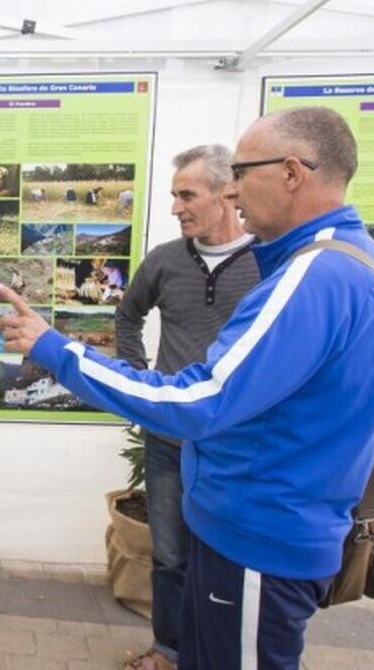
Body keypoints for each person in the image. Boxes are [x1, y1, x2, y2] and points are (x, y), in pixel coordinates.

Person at [0, 107, 374, 669]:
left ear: (291, 172)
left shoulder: (314, 276)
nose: (233, 189)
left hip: (258, 535)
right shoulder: (352, 262)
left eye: (240, 171)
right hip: (264, 523)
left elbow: (200, 401)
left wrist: (57, 351)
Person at [115, 144, 260, 670]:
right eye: (174, 195)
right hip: (170, 442)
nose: (175, 207)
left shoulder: (271, 261)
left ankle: (216, 653)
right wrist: (138, 380)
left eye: (186, 195)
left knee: (228, 561)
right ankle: (168, 650)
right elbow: (127, 317)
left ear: (228, 193)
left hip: (237, 446)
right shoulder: (164, 261)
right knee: (171, 556)